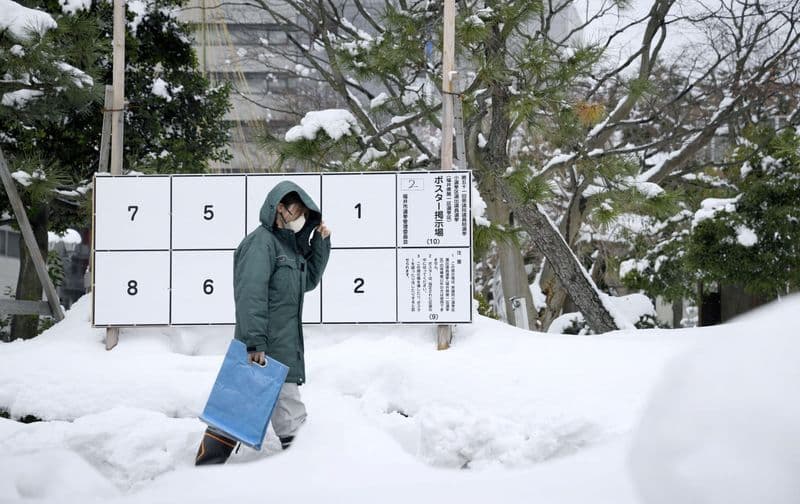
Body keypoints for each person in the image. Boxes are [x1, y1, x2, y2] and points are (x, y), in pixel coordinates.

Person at [195, 180, 331, 465]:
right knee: (280, 415)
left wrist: (319, 243)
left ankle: (207, 470)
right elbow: (251, 295)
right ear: (280, 208)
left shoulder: (287, 248)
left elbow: (306, 281)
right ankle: (307, 471)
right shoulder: (261, 243)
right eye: (298, 211)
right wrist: (254, 342)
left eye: (306, 214)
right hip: (264, 348)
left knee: (238, 412)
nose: (301, 218)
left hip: (281, 346)